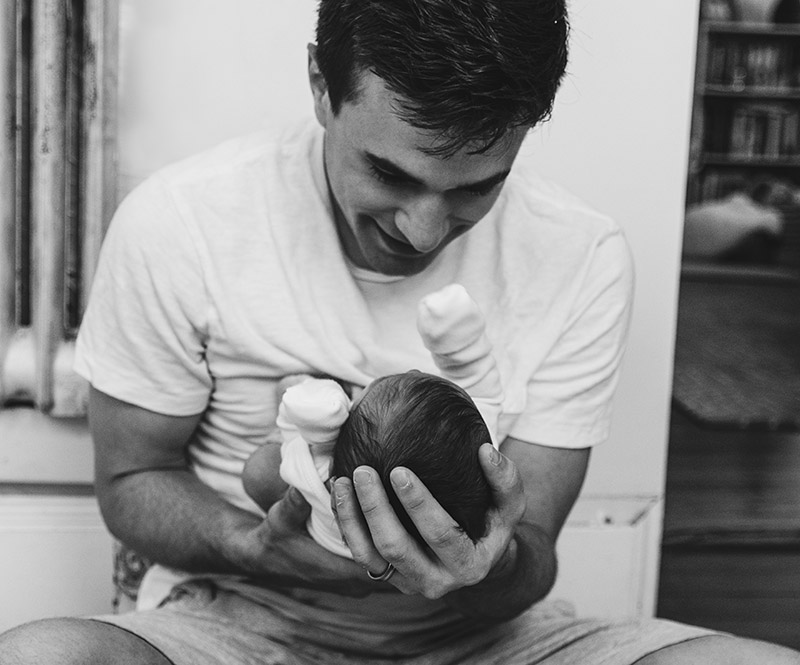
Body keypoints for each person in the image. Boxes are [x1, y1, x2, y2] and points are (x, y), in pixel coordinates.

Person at [2, 0, 800, 663]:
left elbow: (534, 560)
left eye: (476, 188)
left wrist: (491, 561)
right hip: (234, 624)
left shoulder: (580, 254)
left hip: (489, 640)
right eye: (390, 173)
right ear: (321, 83)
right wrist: (252, 544)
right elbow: (131, 482)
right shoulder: (181, 222)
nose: (423, 232)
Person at [242, 282, 502, 556]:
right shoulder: (484, 452)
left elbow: (293, 431)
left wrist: (315, 409)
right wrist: (459, 339)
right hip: (418, 559)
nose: (412, 369)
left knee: (262, 470)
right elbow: (481, 385)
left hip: (324, 539)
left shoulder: (325, 483)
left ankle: (322, 417)